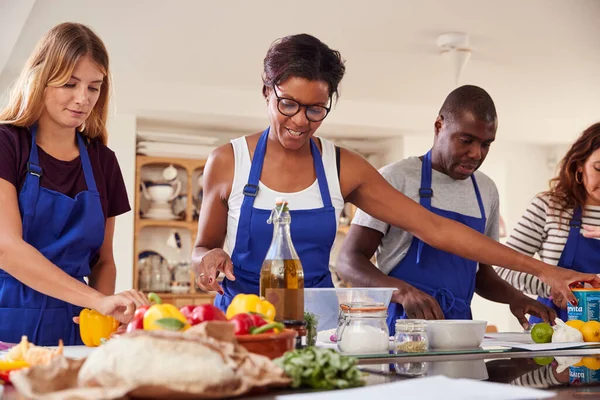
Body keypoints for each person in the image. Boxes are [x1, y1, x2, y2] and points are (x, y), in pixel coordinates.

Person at [191, 33, 600, 313]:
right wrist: (205, 257)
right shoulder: (228, 161)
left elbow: (436, 229)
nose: (300, 121)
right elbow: (201, 248)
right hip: (242, 323)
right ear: (267, 91)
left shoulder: (343, 166)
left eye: (316, 109)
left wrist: (548, 272)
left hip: (317, 326)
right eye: (288, 104)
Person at [335, 85, 555, 335]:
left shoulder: (486, 190)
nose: (476, 153)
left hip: (460, 329)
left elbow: (481, 275)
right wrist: (402, 292)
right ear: (439, 126)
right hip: (403, 325)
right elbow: (348, 261)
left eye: (486, 144)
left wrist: (516, 297)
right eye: (466, 140)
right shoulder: (395, 179)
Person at [0, 23, 149, 346]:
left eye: (93, 87)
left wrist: (104, 315)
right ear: (41, 79)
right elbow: (6, 247)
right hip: (7, 320)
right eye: (69, 83)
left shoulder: (103, 162)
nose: (82, 99)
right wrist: (96, 300)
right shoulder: (7, 144)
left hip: (76, 326)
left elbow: (103, 260)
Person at [496, 122, 600, 322]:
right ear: (579, 165)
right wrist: (554, 286)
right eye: (599, 168)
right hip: (555, 330)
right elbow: (503, 268)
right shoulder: (549, 207)